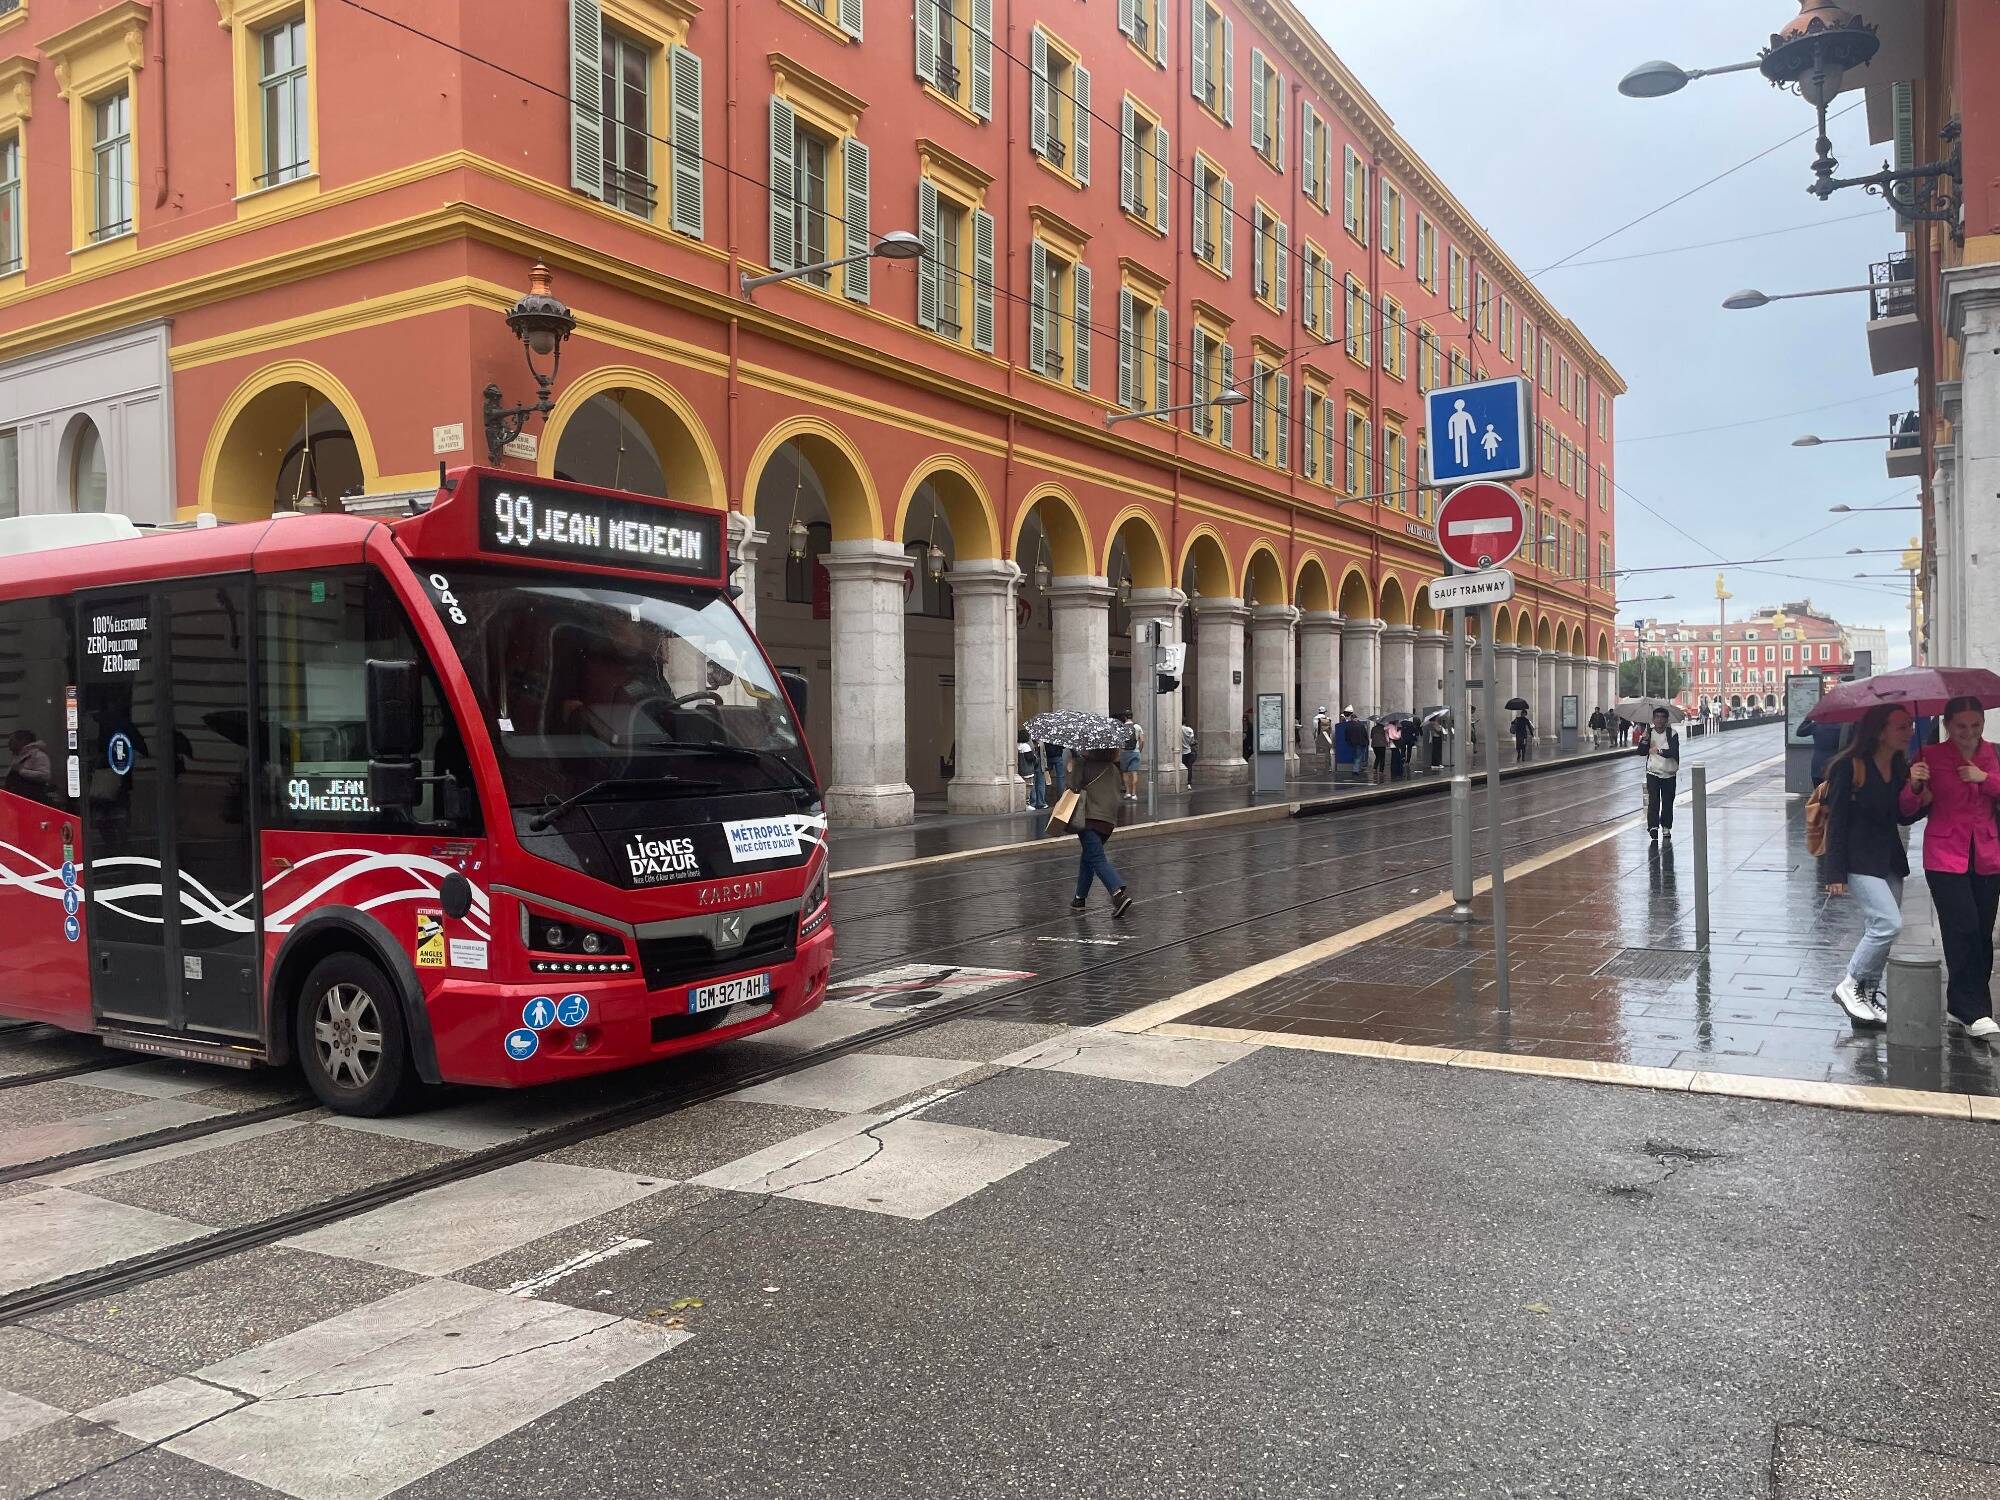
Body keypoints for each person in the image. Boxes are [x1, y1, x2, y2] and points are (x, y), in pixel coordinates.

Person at [1901, 696, 2000, 1038]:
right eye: (1961, 726)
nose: (1968, 732)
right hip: (1945, 855)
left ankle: (1967, 1006)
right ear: (1947, 725)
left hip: (1988, 855)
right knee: (1964, 928)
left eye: (1975, 725)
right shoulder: (1930, 757)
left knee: (1983, 933)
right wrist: (1915, 785)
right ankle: (1971, 1008)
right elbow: (1906, 809)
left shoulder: (1995, 754)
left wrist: (1983, 777)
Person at [1821, 703, 1922, 1029]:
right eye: (1902, 726)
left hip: (1888, 859)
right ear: (1880, 731)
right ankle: (1849, 985)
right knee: (1888, 924)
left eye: (1910, 725)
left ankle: (1868, 993)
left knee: (1879, 930)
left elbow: (1903, 816)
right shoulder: (1848, 767)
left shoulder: (1899, 766)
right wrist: (1834, 873)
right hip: (1858, 859)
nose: (1910, 732)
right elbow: (1836, 822)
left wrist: (1918, 790)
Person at [1066, 747, 1132, 916]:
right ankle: (1079, 898)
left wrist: (1072, 768)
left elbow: (1072, 788)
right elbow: (1119, 792)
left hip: (1089, 819)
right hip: (1108, 822)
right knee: (1089, 857)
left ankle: (1117, 894)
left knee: (1096, 858)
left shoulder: (1083, 764)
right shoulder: (1113, 769)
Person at [1641, 706, 1679, 837]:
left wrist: (1659, 751)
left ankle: (1666, 826)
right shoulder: (1649, 733)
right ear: (1653, 719)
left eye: (1662, 717)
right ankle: (1653, 826)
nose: (1659, 720)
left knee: (1668, 801)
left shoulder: (1672, 734)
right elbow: (1641, 752)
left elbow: (1673, 752)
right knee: (1654, 801)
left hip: (1669, 773)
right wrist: (1644, 740)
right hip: (1653, 772)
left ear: (1667, 720)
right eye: (1657, 717)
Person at [4, 730, 51, 803]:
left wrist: (21, 771)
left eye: (12, 740)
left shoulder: (38, 755)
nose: (9, 743)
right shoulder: (18, 757)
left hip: (31, 801)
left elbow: (45, 776)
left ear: (23, 741)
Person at [1117, 711, 1143, 801]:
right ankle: (1134, 794)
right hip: (1135, 752)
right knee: (1134, 772)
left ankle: (1127, 792)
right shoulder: (1137, 727)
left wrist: (1120, 752)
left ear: (1124, 717)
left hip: (1124, 753)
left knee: (1125, 773)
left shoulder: (1121, 728)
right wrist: (1139, 750)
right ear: (1132, 716)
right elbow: (1142, 740)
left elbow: (1120, 742)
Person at [1021, 729, 1046, 811]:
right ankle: (1033, 802)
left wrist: (1045, 765)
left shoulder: (1041, 742)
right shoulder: (1027, 743)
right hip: (1031, 765)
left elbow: (1043, 753)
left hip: (1040, 764)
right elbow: (1029, 756)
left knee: (1040, 783)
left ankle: (1041, 802)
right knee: (1032, 784)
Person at [1341, 709, 1368, 783]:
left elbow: (1346, 735)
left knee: (1356, 756)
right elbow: (1365, 735)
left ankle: (1357, 768)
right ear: (1356, 718)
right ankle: (1355, 770)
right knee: (1358, 757)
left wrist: (1348, 742)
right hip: (1361, 743)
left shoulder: (1348, 726)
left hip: (1352, 744)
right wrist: (1367, 742)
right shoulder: (1361, 725)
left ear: (1351, 718)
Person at [1312, 706, 1335, 775]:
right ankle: (1328, 767)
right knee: (1327, 752)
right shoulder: (1328, 719)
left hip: (1319, 737)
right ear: (1325, 712)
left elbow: (1314, 729)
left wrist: (1315, 738)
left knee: (1319, 752)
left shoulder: (1316, 718)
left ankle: (1319, 767)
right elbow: (1330, 729)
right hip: (1327, 737)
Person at [1369, 717, 1388, 784]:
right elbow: (1386, 736)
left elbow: (1371, 736)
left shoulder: (1373, 728)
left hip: (1374, 745)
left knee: (1377, 756)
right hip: (1382, 744)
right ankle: (1381, 771)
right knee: (1382, 758)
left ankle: (1374, 768)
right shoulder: (1384, 728)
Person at [1180, 721, 1195, 789]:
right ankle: (1188, 783)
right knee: (1189, 767)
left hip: (1181, 753)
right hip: (1188, 751)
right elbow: (1192, 741)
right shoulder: (1189, 730)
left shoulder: (1179, 729)